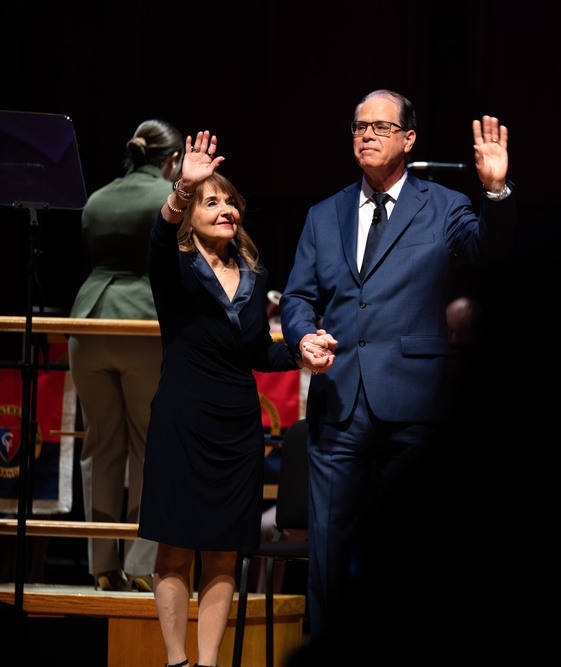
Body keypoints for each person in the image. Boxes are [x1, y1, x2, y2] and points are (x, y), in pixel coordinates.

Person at [280, 88, 515, 655]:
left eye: (380, 128)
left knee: (412, 552)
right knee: (330, 552)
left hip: (414, 404)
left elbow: (492, 249)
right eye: (359, 127)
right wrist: (302, 335)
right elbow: (296, 297)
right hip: (338, 405)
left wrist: (496, 191)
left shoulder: (445, 205)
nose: (365, 136)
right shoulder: (323, 214)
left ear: (409, 139)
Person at [137, 130, 331, 667]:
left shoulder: (253, 276)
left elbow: (255, 354)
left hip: (237, 429)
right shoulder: (173, 270)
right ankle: (176, 661)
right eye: (211, 200)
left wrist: (299, 352)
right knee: (175, 547)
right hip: (183, 422)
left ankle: (208, 663)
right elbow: (157, 239)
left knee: (224, 552)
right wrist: (181, 191)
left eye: (229, 202)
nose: (224, 209)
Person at [67, 119, 184, 592]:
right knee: (146, 443)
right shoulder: (167, 197)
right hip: (141, 322)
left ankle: (100, 563)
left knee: (99, 444)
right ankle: (139, 565)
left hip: (87, 323)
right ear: (172, 160)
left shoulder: (97, 198)